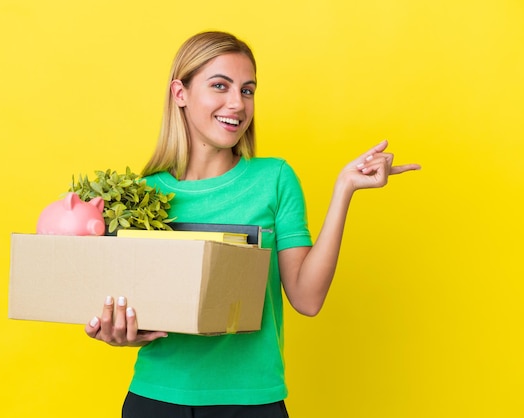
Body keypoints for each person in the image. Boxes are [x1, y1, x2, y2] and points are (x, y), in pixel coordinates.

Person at [84, 30, 421, 417]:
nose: (237, 104)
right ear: (180, 93)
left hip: (252, 403)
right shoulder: (140, 197)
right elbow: (130, 308)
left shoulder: (274, 180)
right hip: (156, 400)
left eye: (247, 90)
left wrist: (344, 189)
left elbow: (307, 300)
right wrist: (117, 331)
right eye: (219, 86)